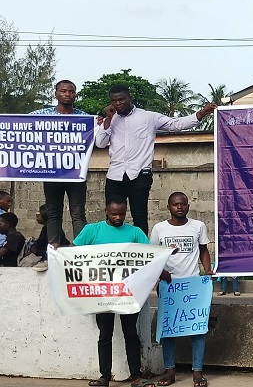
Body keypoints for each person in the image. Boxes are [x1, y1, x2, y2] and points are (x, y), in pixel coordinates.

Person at [95, 85, 217, 235]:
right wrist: (108, 119)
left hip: (139, 174)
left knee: (139, 217)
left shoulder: (148, 117)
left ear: (130, 98)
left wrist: (202, 113)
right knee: (112, 215)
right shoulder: (109, 119)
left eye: (121, 99)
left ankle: (141, 252)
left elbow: (176, 124)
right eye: (114, 101)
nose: (118, 103)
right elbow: (100, 143)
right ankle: (113, 248)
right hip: (115, 175)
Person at [73, 195, 154, 387]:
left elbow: (151, 255)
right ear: (106, 212)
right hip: (101, 293)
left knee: (131, 334)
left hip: (127, 292)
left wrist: (166, 253)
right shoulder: (92, 230)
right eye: (114, 214)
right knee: (105, 335)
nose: (118, 217)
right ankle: (105, 377)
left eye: (122, 214)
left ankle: (136, 376)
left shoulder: (135, 232)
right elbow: (73, 254)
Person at [150, 192, 213, 387]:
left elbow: (203, 250)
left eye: (183, 204)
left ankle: (197, 372)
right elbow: (153, 255)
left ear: (188, 206)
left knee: (199, 329)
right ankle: (170, 371)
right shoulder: (159, 228)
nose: (179, 207)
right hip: (169, 286)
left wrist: (208, 270)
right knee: (169, 329)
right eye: (175, 204)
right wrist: (161, 272)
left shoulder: (198, 226)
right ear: (168, 207)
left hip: (193, 284)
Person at [30, 80, 89, 256]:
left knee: (78, 213)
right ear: (56, 93)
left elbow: (96, 133)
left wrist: (99, 121)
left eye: (71, 92)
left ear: (75, 95)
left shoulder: (83, 117)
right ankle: (53, 247)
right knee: (53, 212)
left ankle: (80, 248)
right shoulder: (42, 114)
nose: (67, 94)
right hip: (52, 172)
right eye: (63, 91)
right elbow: (22, 124)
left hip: (75, 173)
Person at [31, 204, 70, 272]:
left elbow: (50, 249)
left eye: (39, 214)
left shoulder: (52, 231)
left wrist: (36, 250)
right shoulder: (45, 229)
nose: (37, 216)